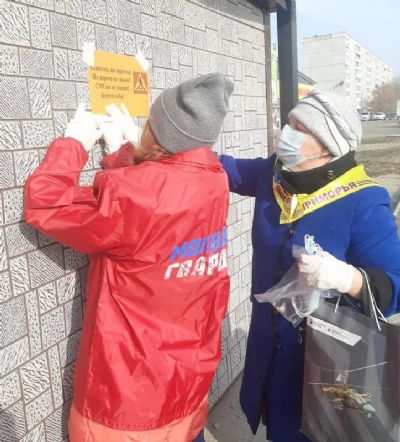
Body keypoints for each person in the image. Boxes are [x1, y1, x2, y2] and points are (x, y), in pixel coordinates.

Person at [24, 73, 234, 442]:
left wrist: (73, 144)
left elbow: (46, 204)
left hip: (126, 406)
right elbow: (158, 195)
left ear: (161, 132)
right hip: (187, 389)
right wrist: (126, 154)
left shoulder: (134, 194)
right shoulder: (215, 179)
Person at [220, 90, 400, 442]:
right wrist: (159, 146)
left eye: (299, 128)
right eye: (288, 123)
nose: (286, 133)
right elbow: (225, 169)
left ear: (327, 145)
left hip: (324, 368)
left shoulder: (363, 201)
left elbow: (395, 288)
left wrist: (349, 278)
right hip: (270, 356)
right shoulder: (275, 174)